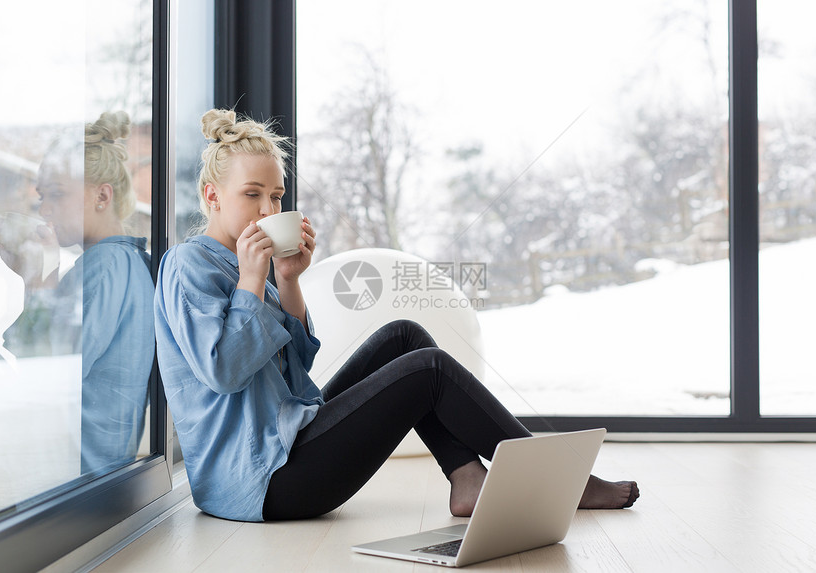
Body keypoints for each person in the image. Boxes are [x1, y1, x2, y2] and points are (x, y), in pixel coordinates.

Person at [154, 108, 639, 523]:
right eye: (252, 194)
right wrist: (251, 281)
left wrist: (289, 279)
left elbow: (297, 366)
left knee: (405, 336)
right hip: (261, 481)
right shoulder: (188, 265)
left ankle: (466, 476)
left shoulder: (254, 266)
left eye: (277, 196)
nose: (268, 209)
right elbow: (222, 372)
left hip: (289, 438)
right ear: (212, 195)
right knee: (427, 370)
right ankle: (559, 481)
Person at [0, 111, 154, 473]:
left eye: (57, 195)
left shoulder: (105, 266)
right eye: (41, 198)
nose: (45, 209)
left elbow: (53, 371)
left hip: (79, 474)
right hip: (90, 469)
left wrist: (39, 277)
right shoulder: (122, 260)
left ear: (102, 195)